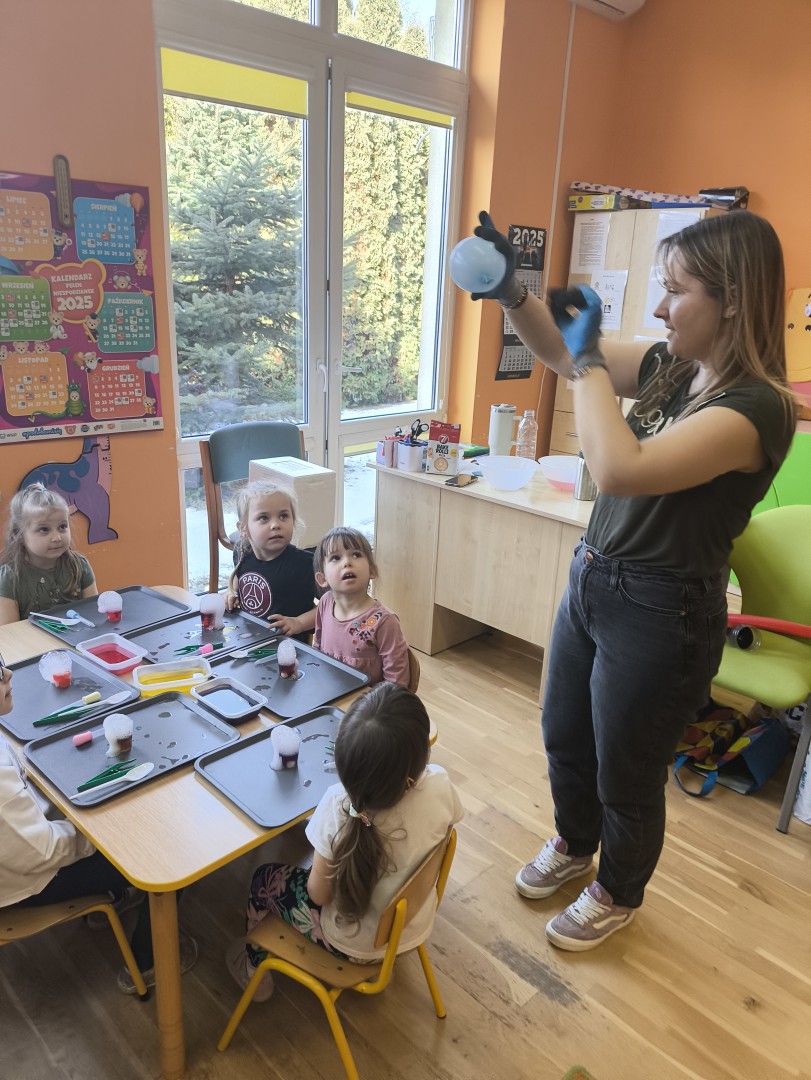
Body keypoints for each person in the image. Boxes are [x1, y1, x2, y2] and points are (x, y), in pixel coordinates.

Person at [463, 210, 796, 950]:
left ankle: (617, 890)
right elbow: (561, 354)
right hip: (593, 578)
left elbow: (620, 468)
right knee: (564, 736)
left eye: (675, 290)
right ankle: (575, 843)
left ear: (732, 299)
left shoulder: (758, 407)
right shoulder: (672, 366)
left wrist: (586, 359)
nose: (658, 307)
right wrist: (514, 292)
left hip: (662, 612)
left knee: (628, 770)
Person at [226, 681, 463, 999]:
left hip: (350, 945)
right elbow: (449, 824)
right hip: (412, 926)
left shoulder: (337, 805)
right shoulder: (439, 783)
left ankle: (254, 973)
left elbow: (318, 894)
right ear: (422, 753)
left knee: (262, 879)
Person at [0, 651, 198, 992]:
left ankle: (114, 894)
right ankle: (149, 961)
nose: (8, 675)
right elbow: (42, 852)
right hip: (30, 881)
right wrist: (101, 832)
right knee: (170, 848)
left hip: (22, 856)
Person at [312, 527, 410, 686]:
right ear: (322, 579)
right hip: (328, 691)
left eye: (356, 555)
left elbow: (396, 683)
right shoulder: (325, 603)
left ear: (372, 571)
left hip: (367, 700)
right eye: (336, 558)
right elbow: (317, 649)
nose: (347, 562)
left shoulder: (384, 621)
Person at [225, 480, 317, 642]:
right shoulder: (241, 551)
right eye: (263, 518)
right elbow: (239, 577)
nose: (275, 524)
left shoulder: (305, 564)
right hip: (248, 642)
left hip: (289, 649)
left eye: (283, 516)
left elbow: (336, 605)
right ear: (243, 528)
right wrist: (231, 592)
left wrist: (299, 623)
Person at [0, 484, 98, 625]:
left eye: (62, 527)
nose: (57, 537)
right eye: (44, 529)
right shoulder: (9, 578)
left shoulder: (80, 565)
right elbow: (9, 633)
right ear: (19, 535)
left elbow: (94, 616)